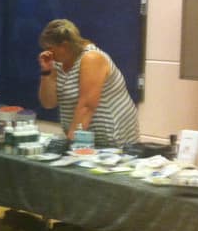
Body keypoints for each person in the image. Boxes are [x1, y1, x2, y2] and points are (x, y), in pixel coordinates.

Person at [37, 19, 139, 147]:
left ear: (65, 46)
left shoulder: (91, 58)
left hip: (111, 137)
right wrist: (46, 72)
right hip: (82, 136)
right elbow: (48, 103)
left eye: (50, 48)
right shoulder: (58, 61)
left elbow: (86, 107)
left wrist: (69, 146)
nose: (47, 53)